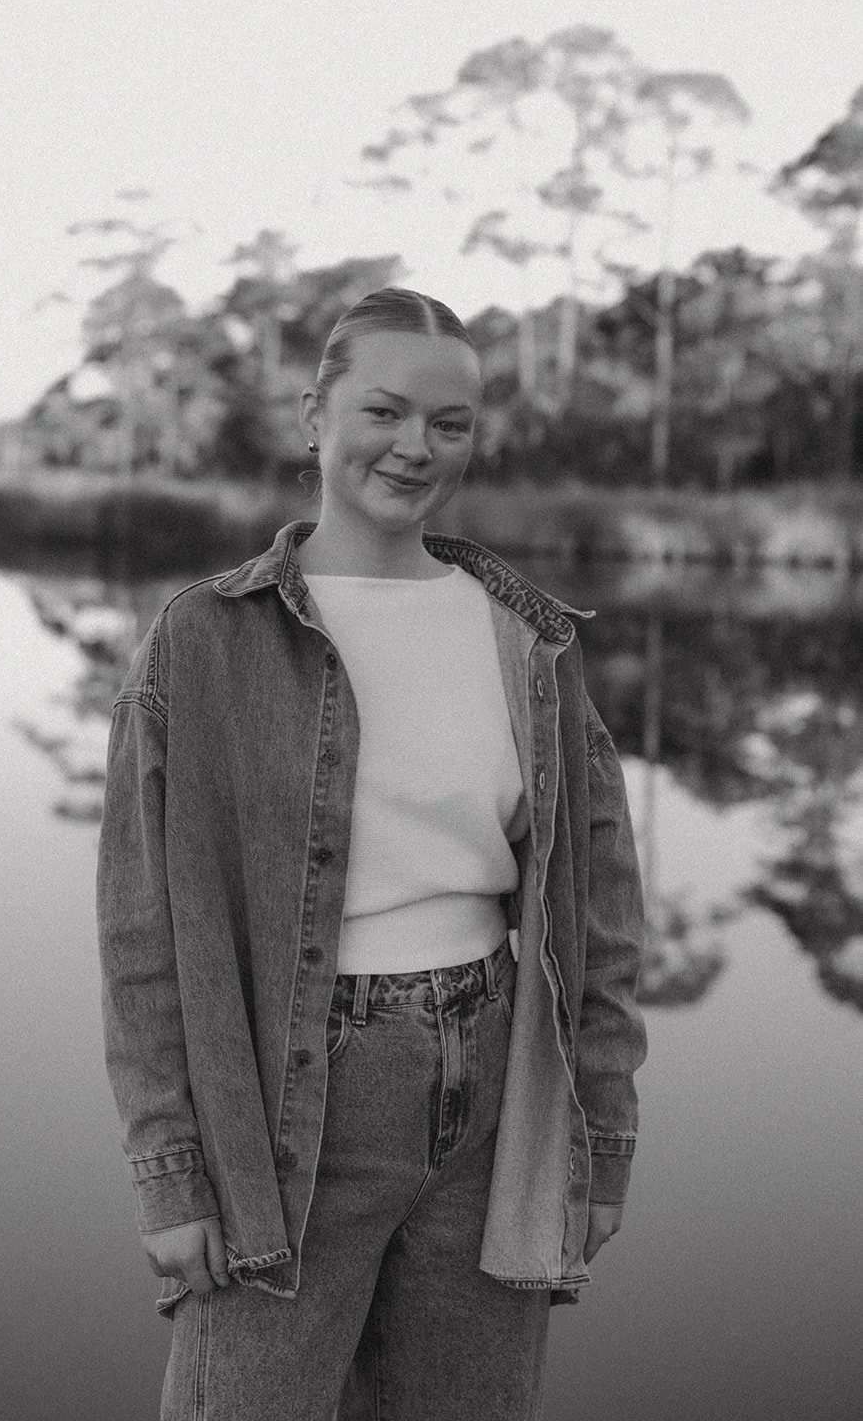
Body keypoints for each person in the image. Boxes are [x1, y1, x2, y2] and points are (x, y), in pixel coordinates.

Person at [96, 286, 648, 1421]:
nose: (416, 448)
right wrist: (170, 1172)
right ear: (314, 415)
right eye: (385, 411)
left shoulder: (525, 636)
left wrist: (598, 1130)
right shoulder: (205, 639)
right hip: (295, 1101)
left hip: (493, 1088)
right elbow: (142, 932)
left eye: (449, 424)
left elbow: (598, 910)